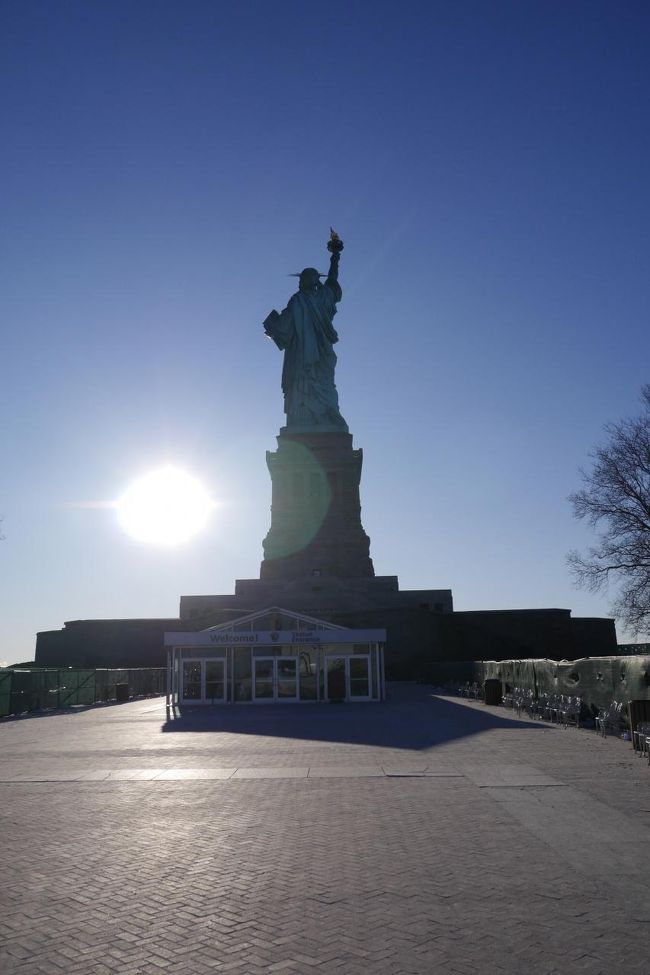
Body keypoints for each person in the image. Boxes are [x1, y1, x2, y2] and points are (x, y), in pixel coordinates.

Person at [263, 245, 348, 432]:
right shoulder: (306, 299)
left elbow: (332, 281)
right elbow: (285, 325)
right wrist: (335, 256)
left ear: (313, 280)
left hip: (312, 353)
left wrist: (335, 257)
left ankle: (322, 416)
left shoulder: (312, 298)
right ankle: (305, 419)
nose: (300, 282)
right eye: (300, 279)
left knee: (319, 382)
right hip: (306, 354)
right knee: (311, 383)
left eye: (303, 278)